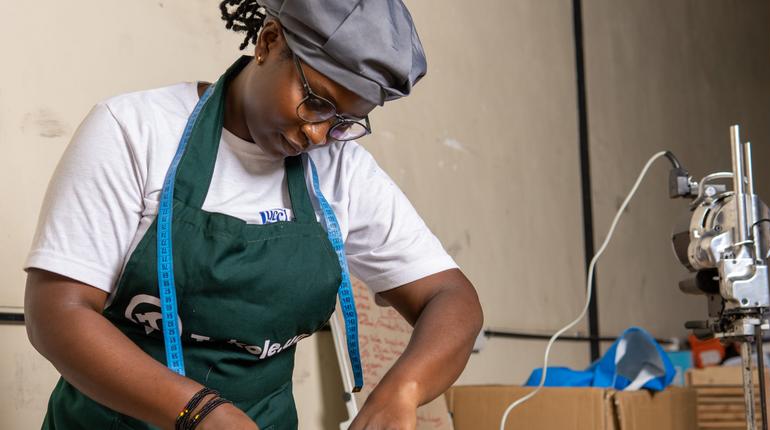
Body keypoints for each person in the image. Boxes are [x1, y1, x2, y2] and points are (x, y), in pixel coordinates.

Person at [23, 0, 483, 428]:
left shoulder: (343, 172)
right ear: (268, 41)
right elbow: (58, 314)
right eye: (317, 102)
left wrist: (404, 389)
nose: (320, 134)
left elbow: (451, 298)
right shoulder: (136, 131)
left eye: (345, 122)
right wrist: (200, 411)